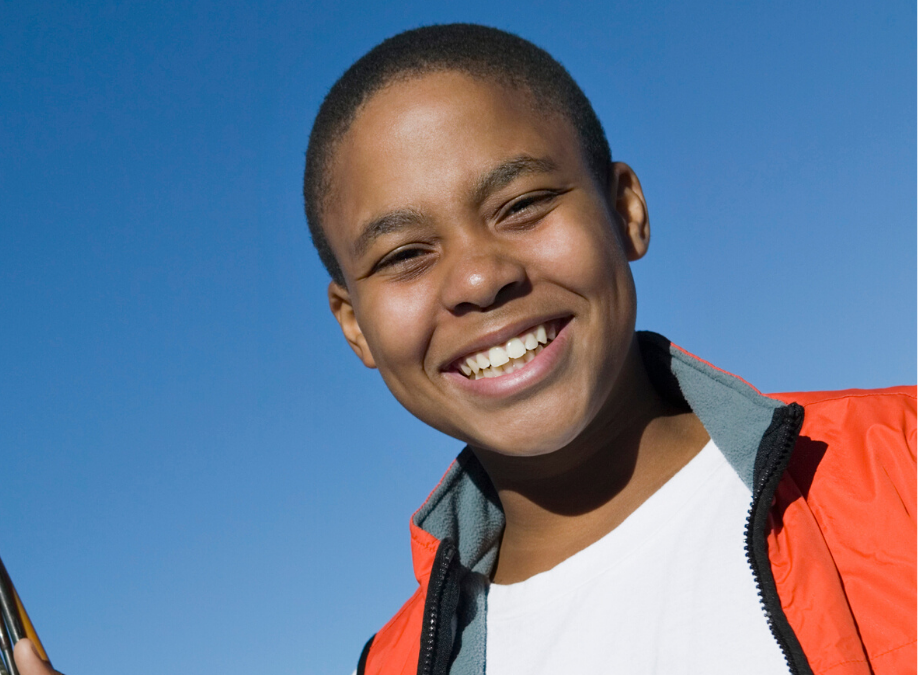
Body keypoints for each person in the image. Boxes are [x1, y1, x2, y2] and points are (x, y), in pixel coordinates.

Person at [301, 24, 915, 675]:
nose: (479, 279)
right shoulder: (393, 665)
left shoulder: (899, 463)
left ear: (625, 210)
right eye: (404, 255)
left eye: (523, 204)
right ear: (355, 325)